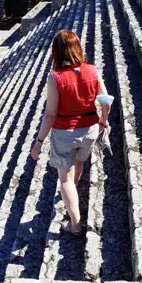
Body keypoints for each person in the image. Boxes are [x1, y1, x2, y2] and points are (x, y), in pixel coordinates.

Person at [31, 29, 111, 236]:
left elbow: (50, 114)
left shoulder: (55, 77)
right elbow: (106, 100)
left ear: (56, 52)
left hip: (65, 132)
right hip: (90, 130)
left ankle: (75, 224)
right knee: (79, 161)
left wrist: (39, 141)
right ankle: (72, 191)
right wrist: (103, 120)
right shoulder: (92, 70)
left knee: (64, 179)